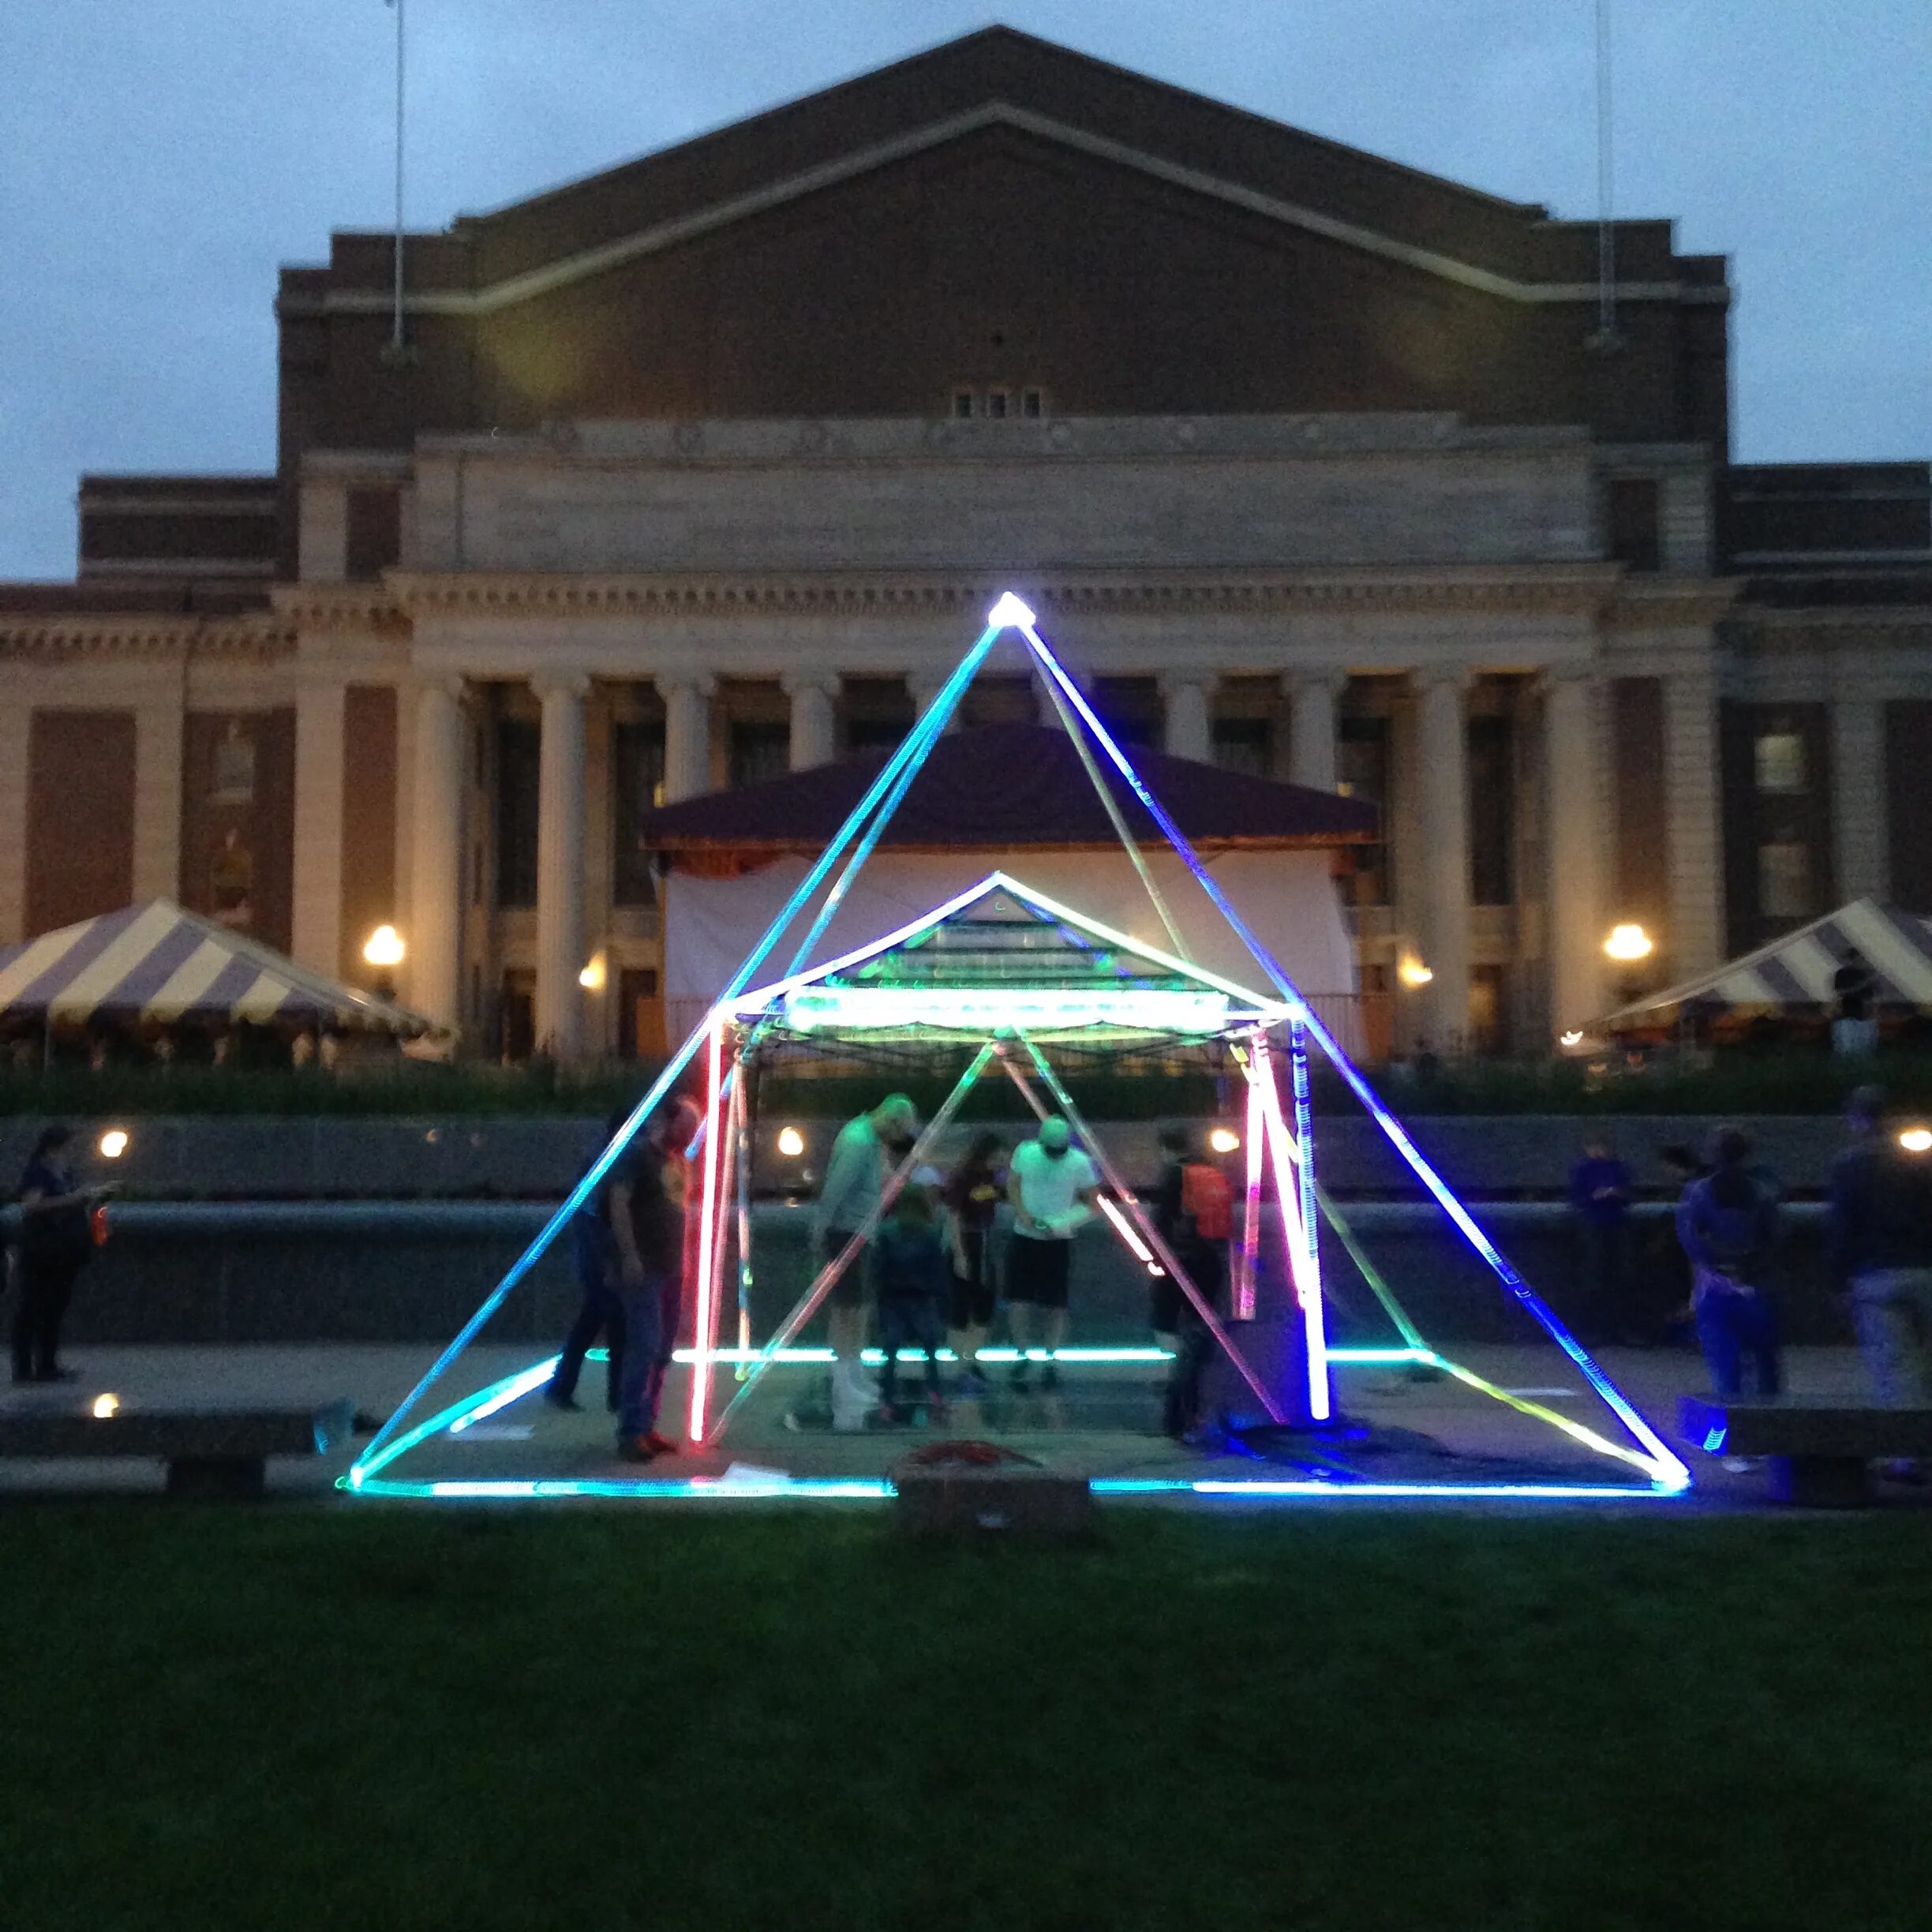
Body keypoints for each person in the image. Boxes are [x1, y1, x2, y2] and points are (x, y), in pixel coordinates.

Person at [1829, 1086, 1932, 1419]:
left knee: (1896, 1366)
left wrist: (1837, 1283)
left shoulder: (1849, 1165)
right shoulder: (1920, 1160)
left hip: (1875, 1276)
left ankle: (1906, 1454)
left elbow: (1843, 1229)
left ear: (1856, 1120)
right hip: (1924, 1269)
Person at [814, 1093, 920, 1416]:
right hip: (847, 1234)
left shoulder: (870, 1140)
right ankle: (843, 1382)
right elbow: (836, 1190)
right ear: (890, 1121)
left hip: (858, 1233)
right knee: (849, 1309)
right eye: (898, 1133)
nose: (896, 1141)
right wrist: (820, 1231)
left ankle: (851, 1375)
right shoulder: (859, 1143)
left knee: (858, 1308)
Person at [1676, 1126, 1782, 1439]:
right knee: (1765, 1364)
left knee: (1726, 1365)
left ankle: (1734, 1439)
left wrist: (1716, 1267)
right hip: (1756, 1284)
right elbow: (1774, 1238)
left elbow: (1690, 1239)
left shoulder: (1697, 1193)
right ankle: (1772, 1434)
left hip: (1716, 1285)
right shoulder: (1763, 1192)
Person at [608, 1096, 698, 1462]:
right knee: (644, 1345)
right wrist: (629, 1254)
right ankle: (631, 1430)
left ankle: (647, 1425)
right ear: (669, 1122)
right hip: (644, 1267)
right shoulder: (637, 1156)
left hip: (671, 1267)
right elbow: (618, 1201)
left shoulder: (678, 1160)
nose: (692, 1134)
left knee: (661, 1349)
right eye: (687, 1127)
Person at [1150, 1125, 1234, 1440]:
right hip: (1211, 1258)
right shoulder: (1212, 1170)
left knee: (1163, 1319)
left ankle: (1177, 1376)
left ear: (1166, 1149)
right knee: (1201, 1323)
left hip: (1179, 1259)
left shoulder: (1175, 1175)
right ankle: (1193, 1378)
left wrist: (1155, 1257)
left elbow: (1160, 1220)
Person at [1005, 1115, 1100, 1389]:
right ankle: (1023, 1352)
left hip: (1057, 1239)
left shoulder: (1080, 1162)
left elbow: (1092, 1202)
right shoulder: (1026, 1152)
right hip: (1025, 1235)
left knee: (1055, 1303)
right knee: (1019, 1298)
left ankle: (1050, 1356)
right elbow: (1013, 1183)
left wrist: (1062, 1223)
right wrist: (1023, 1213)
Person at [545, 1111, 630, 1414]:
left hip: (595, 1254)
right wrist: (610, 1260)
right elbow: (598, 1216)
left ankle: (563, 1386)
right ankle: (615, 1395)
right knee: (615, 1322)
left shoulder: (602, 1156)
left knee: (593, 1321)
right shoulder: (607, 1163)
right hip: (599, 1256)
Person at [11, 1125, 107, 1386]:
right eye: (67, 1147)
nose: (72, 1152)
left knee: (54, 1307)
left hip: (65, 1250)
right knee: (33, 1306)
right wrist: (73, 1199)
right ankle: (23, 1368)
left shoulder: (65, 1173)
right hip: (41, 1250)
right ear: (52, 1148)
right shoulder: (38, 1173)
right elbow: (31, 1206)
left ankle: (47, 1365)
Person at [870, 1183, 950, 1422]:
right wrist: (943, 1301)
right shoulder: (930, 1232)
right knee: (930, 1350)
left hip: (893, 1299)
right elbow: (938, 1272)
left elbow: (879, 1269)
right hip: (922, 1299)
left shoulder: (886, 1231)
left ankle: (887, 1398)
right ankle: (935, 1393)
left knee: (891, 1350)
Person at [943, 1130, 1005, 1394]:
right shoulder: (963, 1178)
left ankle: (970, 1358)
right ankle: (961, 1365)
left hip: (984, 1241)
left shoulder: (990, 1179)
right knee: (961, 1306)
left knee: (983, 1306)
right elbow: (954, 1217)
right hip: (967, 1241)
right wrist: (959, 1254)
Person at [1569, 1134, 1634, 1343]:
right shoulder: (1582, 1169)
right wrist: (1595, 1197)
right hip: (1593, 1224)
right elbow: (1577, 1198)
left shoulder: (1619, 1167)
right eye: (1595, 1147)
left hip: (1616, 1222)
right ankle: (1591, 1330)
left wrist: (1618, 1194)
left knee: (1621, 1275)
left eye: (1603, 1147)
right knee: (1593, 1275)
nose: (1600, 1151)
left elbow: (1629, 1195)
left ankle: (1619, 1328)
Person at [1832, 950, 1879, 1058]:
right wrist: (1861, 986)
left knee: (1863, 1052)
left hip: (1862, 1017)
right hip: (1847, 1016)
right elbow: (1840, 992)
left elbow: (1871, 996)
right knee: (1846, 1050)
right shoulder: (1842, 974)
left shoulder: (1864, 974)